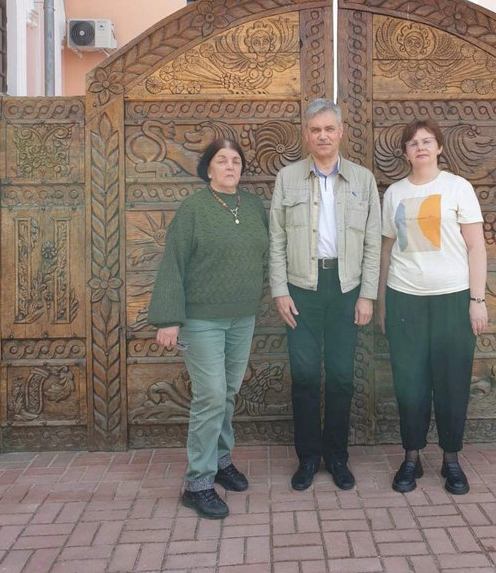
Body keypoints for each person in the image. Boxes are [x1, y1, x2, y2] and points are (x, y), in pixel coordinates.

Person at [147, 138, 268, 519]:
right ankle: (197, 483)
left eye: (235, 161)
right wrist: (168, 317)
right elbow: (173, 262)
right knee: (211, 394)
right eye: (222, 160)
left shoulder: (253, 206)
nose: (230, 166)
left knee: (228, 391)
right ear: (208, 169)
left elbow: (265, 254)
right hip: (201, 320)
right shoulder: (194, 209)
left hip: (242, 317)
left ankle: (220, 460)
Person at [270, 99, 381, 491]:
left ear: (341, 132)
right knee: (303, 377)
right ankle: (307, 458)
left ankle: (336, 457)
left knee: (340, 376)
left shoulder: (363, 180)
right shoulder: (288, 178)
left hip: (346, 288)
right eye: (315, 129)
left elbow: (372, 241)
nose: (322, 136)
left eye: (329, 129)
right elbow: (277, 238)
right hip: (301, 288)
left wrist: (367, 295)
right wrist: (280, 290)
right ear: (306, 134)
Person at [377, 118, 488, 496]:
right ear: (405, 153)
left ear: (439, 147)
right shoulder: (394, 193)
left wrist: (477, 300)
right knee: (410, 383)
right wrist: (382, 302)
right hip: (405, 298)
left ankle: (451, 459)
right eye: (413, 143)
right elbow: (387, 249)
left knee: (452, 381)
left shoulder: (458, 187)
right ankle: (411, 457)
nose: (420, 147)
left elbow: (476, 246)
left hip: (453, 298)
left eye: (427, 141)